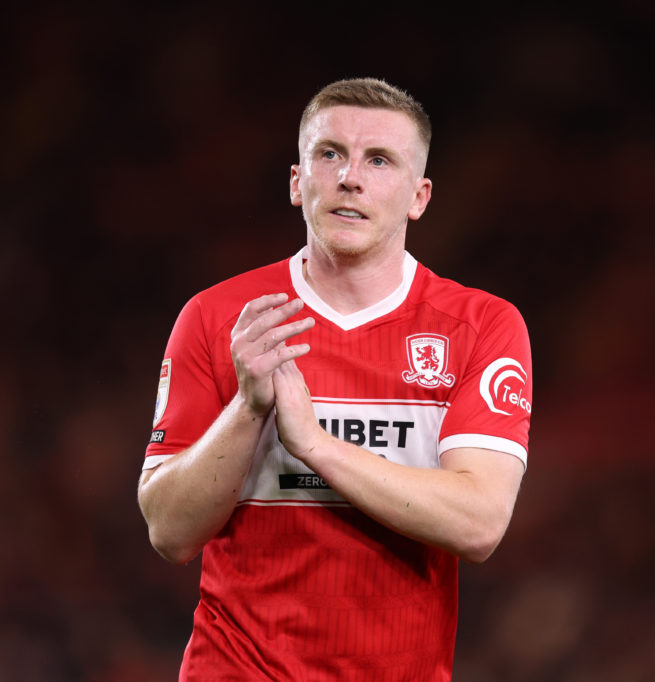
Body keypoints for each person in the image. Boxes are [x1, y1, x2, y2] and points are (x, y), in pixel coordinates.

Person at [138, 77, 532, 681]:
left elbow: (478, 524)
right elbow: (169, 532)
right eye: (330, 154)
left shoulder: (481, 326)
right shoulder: (219, 318)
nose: (350, 177)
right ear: (298, 183)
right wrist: (248, 409)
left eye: (379, 160)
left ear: (419, 196)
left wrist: (317, 445)